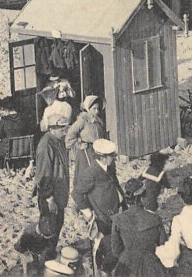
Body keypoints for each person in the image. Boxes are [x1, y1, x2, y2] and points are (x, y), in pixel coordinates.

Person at [73, 138, 124, 274]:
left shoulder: (110, 168)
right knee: (100, 250)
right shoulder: (91, 173)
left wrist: (122, 201)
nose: (114, 158)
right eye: (111, 156)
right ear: (102, 157)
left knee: (114, 248)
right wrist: (89, 215)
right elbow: (77, 193)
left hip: (114, 215)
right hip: (101, 219)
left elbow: (115, 184)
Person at [110, 178, 167, 276]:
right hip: (151, 267)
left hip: (127, 267)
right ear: (142, 198)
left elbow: (116, 250)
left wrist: (128, 257)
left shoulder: (118, 219)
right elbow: (163, 245)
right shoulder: (155, 219)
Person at [34, 115, 71, 260]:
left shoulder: (58, 141)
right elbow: (43, 176)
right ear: (53, 128)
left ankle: (48, 255)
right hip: (50, 197)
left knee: (57, 226)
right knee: (48, 230)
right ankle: (43, 262)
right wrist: (49, 199)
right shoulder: (46, 146)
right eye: (63, 128)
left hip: (59, 195)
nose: (66, 131)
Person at [0, 97, 36, 169]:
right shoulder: (25, 118)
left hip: (9, 150)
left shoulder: (4, 120)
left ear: (6, 108)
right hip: (25, 149)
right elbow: (30, 131)